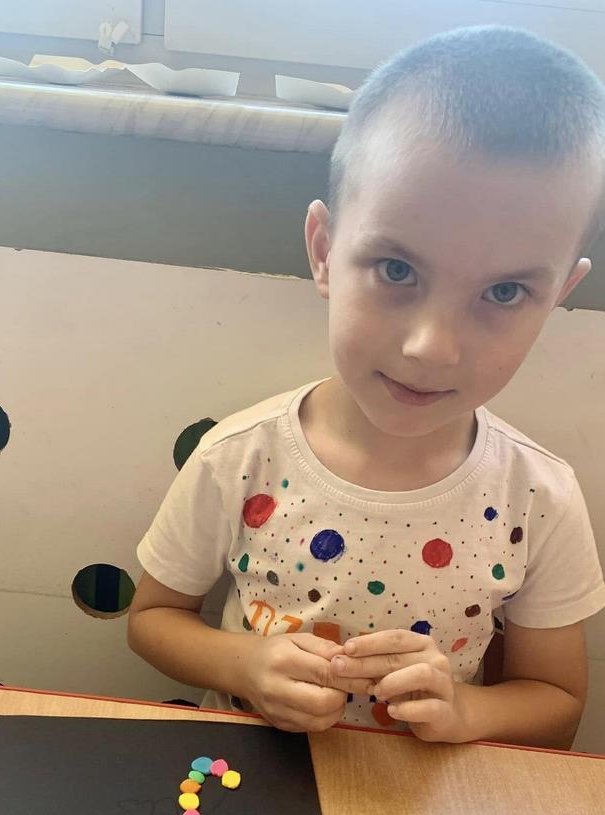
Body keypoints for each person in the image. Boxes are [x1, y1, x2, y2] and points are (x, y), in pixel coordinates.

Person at [128, 25, 605, 749]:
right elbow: (152, 619)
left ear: (559, 296)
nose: (431, 347)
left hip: (421, 799)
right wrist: (246, 664)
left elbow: (558, 700)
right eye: (396, 270)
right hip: (247, 781)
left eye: (504, 291)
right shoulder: (240, 455)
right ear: (324, 252)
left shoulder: (540, 497)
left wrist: (466, 711)